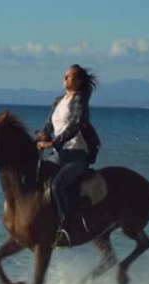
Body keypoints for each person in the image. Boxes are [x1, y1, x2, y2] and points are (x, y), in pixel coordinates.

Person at [36, 64, 100, 247]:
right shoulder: (58, 101)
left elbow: (76, 124)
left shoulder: (80, 100)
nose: (65, 79)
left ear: (79, 81)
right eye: (64, 76)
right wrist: (39, 139)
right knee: (36, 175)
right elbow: (48, 126)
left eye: (69, 76)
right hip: (59, 155)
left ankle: (67, 228)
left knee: (57, 186)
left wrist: (54, 143)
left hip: (77, 155)